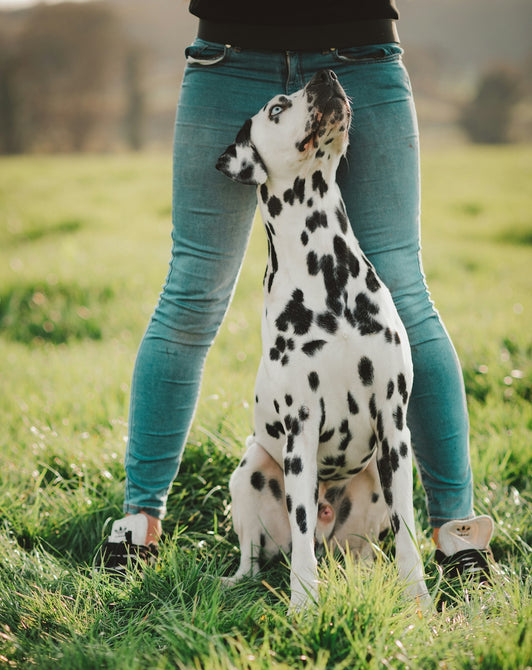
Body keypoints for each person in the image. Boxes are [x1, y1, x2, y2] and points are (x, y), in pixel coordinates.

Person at [94, 0, 495, 586]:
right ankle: (139, 524)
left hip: (359, 50)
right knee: (190, 296)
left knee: (404, 294)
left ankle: (456, 536)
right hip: (229, 60)